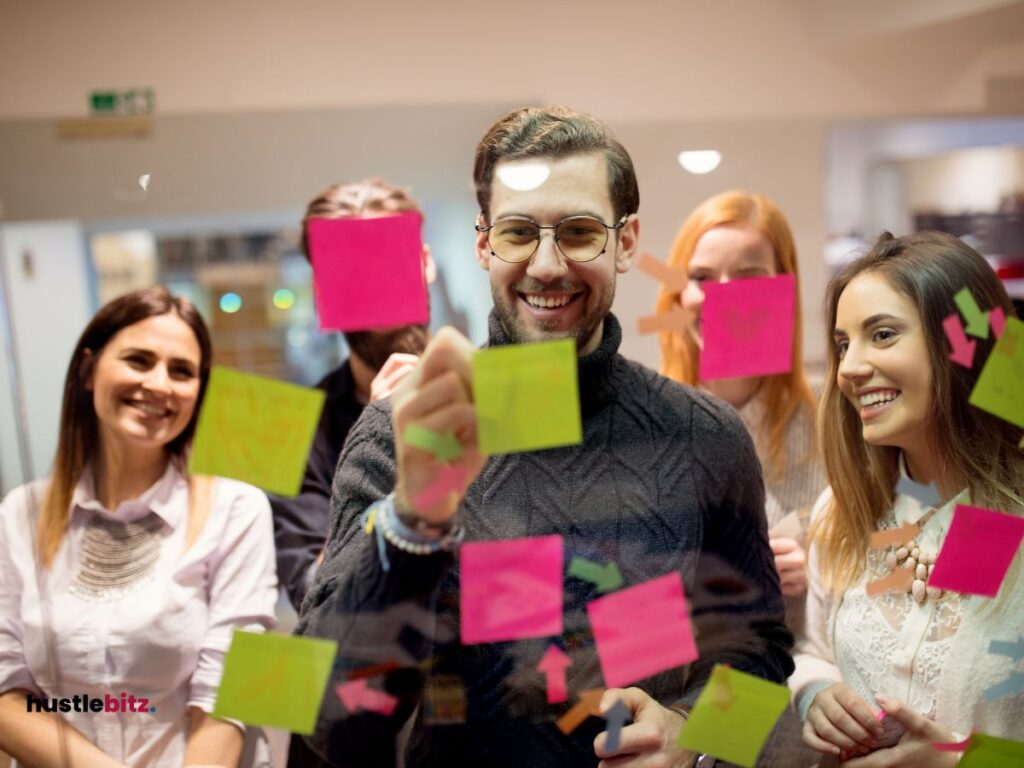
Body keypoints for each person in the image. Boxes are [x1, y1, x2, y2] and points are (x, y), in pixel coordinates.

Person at [296, 106, 793, 767]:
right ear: (483, 245)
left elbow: (759, 651)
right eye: (519, 233)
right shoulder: (398, 437)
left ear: (626, 240)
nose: (549, 264)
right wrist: (410, 522)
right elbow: (331, 725)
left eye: (581, 232)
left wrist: (697, 741)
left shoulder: (707, 437)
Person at [0, 287, 277, 768]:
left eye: (182, 371)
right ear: (88, 370)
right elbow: (6, 693)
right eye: (139, 360)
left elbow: (231, 697)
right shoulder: (19, 514)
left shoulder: (236, 509)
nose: (160, 384)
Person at [790, 232, 1024, 766]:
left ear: (963, 346)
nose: (848, 367)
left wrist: (956, 762)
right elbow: (812, 651)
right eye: (844, 343)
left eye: (883, 334)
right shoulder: (846, 509)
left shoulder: (1010, 517)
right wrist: (814, 693)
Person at [654, 191, 827, 634]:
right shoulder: (643, 428)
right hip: (688, 696)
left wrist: (823, 576)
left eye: (749, 275)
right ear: (679, 295)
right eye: (703, 277)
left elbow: (890, 569)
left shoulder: (834, 420)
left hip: (811, 686)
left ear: (784, 286)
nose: (724, 296)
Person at [270, 178, 436, 614]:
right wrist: (377, 439)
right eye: (353, 275)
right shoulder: (287, 431)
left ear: (426, 263)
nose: (381, 299)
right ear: (323, 292)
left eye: (391, 263)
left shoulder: (505, 393)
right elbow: (312, 598)